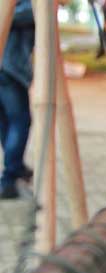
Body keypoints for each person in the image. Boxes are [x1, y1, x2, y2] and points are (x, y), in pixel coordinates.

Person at [0, 0, 34, 199]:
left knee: (7, 121)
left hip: (8, 69)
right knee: (20, 120)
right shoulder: (21, 7)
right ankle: (9, 176)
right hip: (10, 71)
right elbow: (35, 11)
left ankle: (15, 166)